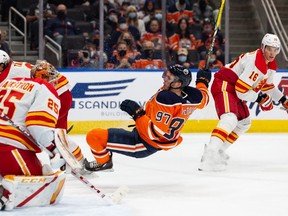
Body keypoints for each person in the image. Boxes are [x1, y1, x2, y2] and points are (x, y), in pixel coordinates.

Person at [84, 64, 211, 172]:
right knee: (99, 136)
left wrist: (138, 114)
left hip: (143, 143)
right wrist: (203, 81)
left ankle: (104, 163)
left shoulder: (166, 99)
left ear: (177, 83)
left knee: (94, 137)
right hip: (153, 138)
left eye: (169, 77)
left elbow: (155, 132)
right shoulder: (192, 97)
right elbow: (204, 99)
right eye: (165, 75)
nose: (164, 79)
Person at [199, 33, 288, 172]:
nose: (272, 53)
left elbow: (268, 87)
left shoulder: (270, 64)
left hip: (235, 88)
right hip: (225, 84)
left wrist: (284, 101)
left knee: (244, 122)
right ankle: (210, 154)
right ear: (263, 47)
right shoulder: (256, 63)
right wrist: (260, 99)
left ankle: (219, 151)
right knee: (230, 117)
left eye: (275, 49)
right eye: (269, 49)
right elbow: (241, 91)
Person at [0, 70, 66, 210]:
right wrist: (53, 149)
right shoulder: (45, 88)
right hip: (8, 149)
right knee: (47, 184)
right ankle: (5, 194)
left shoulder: (7, 82)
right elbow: (38, 126)